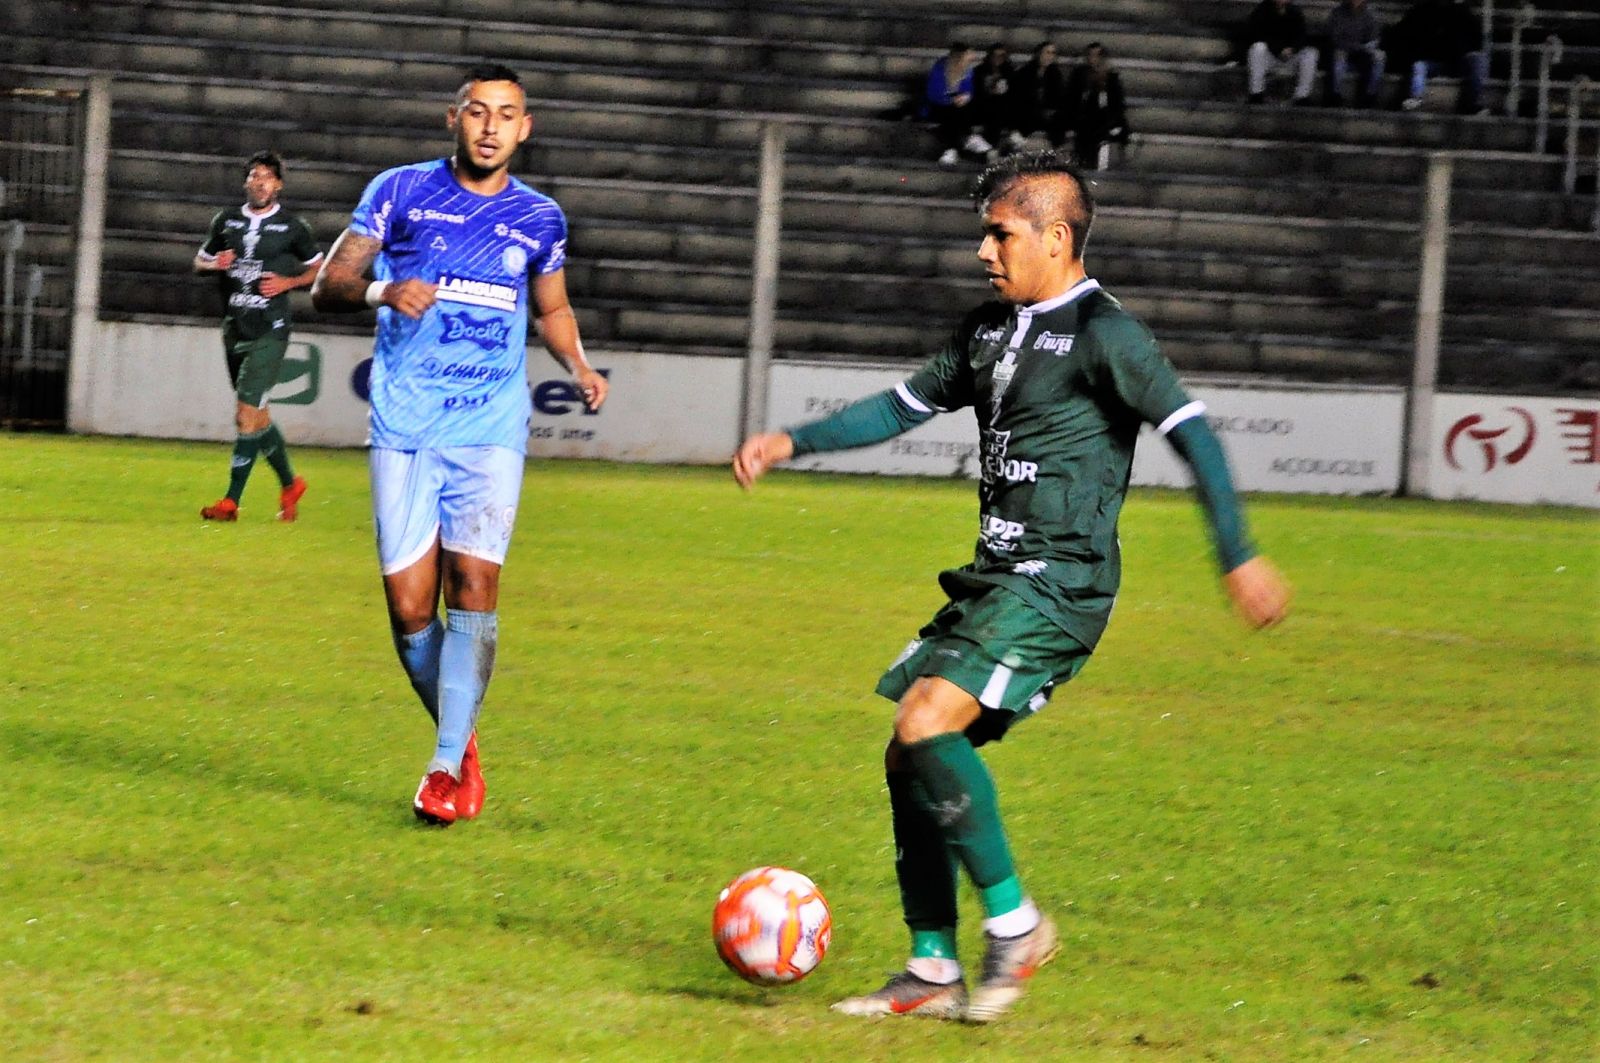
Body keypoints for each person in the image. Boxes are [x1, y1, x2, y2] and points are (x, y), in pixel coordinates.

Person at [732, 151, 1291, 1025]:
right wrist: (789, 442)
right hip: (996, 580)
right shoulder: (987, 330)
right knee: (906, 749)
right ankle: (930, 965)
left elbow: (1195, 434)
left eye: (1001, 233)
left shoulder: (1110, 334)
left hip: (1061, 583)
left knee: (925, 721)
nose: (984, 251)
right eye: (985, 232)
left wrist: (1239, 553)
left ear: (1057, 237)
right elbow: (897, 408)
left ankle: (1016, 925)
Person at [310, 64, 609, 826]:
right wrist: (383, 289)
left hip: (490, 427)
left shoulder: (541, 218)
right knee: (410, 612)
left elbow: (554, 304)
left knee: (473, 583)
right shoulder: (400, 191)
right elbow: (330, 281)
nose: (489, 127)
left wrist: (576, 362)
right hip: (406, 423)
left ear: (525, 128)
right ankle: (461, 735)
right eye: (477, 112)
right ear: (454, 118)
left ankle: (444, 768)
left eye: (505, 115)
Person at [193, 151, 322, 521]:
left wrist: (289, 282)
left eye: (268, 176)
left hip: (271, 330)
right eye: (254, 175)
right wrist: (213, 263)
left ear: (278, 184)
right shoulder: (226, 221)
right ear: (246, 182)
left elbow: (318, 269)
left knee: (245, 415)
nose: (260, 182)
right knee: (258, 416)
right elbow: (199, 261)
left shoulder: (293, 227)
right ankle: (290, 483)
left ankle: (231, 502)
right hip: (236, 328)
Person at [1388, 0, 1488, 114]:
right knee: (1418, 66)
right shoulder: (1422, 10)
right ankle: (1415, 99)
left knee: (1477, 59)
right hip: (1431, 61)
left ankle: (1473, 104)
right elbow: (1404, 35)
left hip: (1457, 61)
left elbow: (1476, 40)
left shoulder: (1462, 11)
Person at [1062, 42, 1132, 170]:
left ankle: (1101, 167)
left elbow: (1117, 104)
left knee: (1107, 134)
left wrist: (1114, 122)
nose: (1093, 59)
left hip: (1105, 120)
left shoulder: (1111, 78)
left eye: (1097, 56)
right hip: (1083, 119)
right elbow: (1072, 100)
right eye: (1091, 55)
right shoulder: (1079, 75)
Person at [925, 41, 995, 166]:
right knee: (953, 112)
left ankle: (957, 147)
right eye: (968, 55)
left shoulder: (968, 71)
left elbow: (969, 90)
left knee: (964, 109)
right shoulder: (940, 68)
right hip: (938, 105)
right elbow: (932, 94)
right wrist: (951, 100)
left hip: (958, 106)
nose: (971, 58)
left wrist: (966, 97)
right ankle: (965, 141)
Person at [1244, 0, 1319, 105]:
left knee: (1311, 53)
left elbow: (1302, 36)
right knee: (1257, 48)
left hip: (1291, 57)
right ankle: (1256, 94)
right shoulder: (1262, 11)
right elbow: (1257, 35)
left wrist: (1292, 49)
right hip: (1270, 58)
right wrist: (1278, 49)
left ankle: (1302, 96)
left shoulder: (1295, 11)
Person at [1324, 0, 1387, 107]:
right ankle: (1335, 96)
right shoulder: (1337, 13)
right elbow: (1335, 39)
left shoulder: (1370, 14)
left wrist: (1364, 48)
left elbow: (1373, 38)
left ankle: (1370, 95)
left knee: (1379, 57)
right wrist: (1356, 46)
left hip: (1362, 54)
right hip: (1342, 51)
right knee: (1339, 56)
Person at [971, 43, 1027, 155]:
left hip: (1002, 109)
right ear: (989, 56)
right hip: (982, 106)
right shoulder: (979, 71)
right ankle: (1000, 143)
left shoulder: (1010, 72)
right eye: (995, 55)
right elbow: (975, 93)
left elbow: (1015, 94)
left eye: (1001, 56)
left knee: (1002, 106)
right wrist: (990, 92)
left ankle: (997, 146)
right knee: (995, 106)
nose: (998, 58)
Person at [1011, 41, 1068, 149]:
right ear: (1039, 54)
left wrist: (1051, 110)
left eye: (1052, 53)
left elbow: (1058, 97)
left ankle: (1056, 149)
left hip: (1046, 114)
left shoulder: (1054, 73)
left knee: (1060, 118)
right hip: (1028, 112)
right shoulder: (1024, 72)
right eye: (1047, 53)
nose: (1050, 56)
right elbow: (1019, 98)